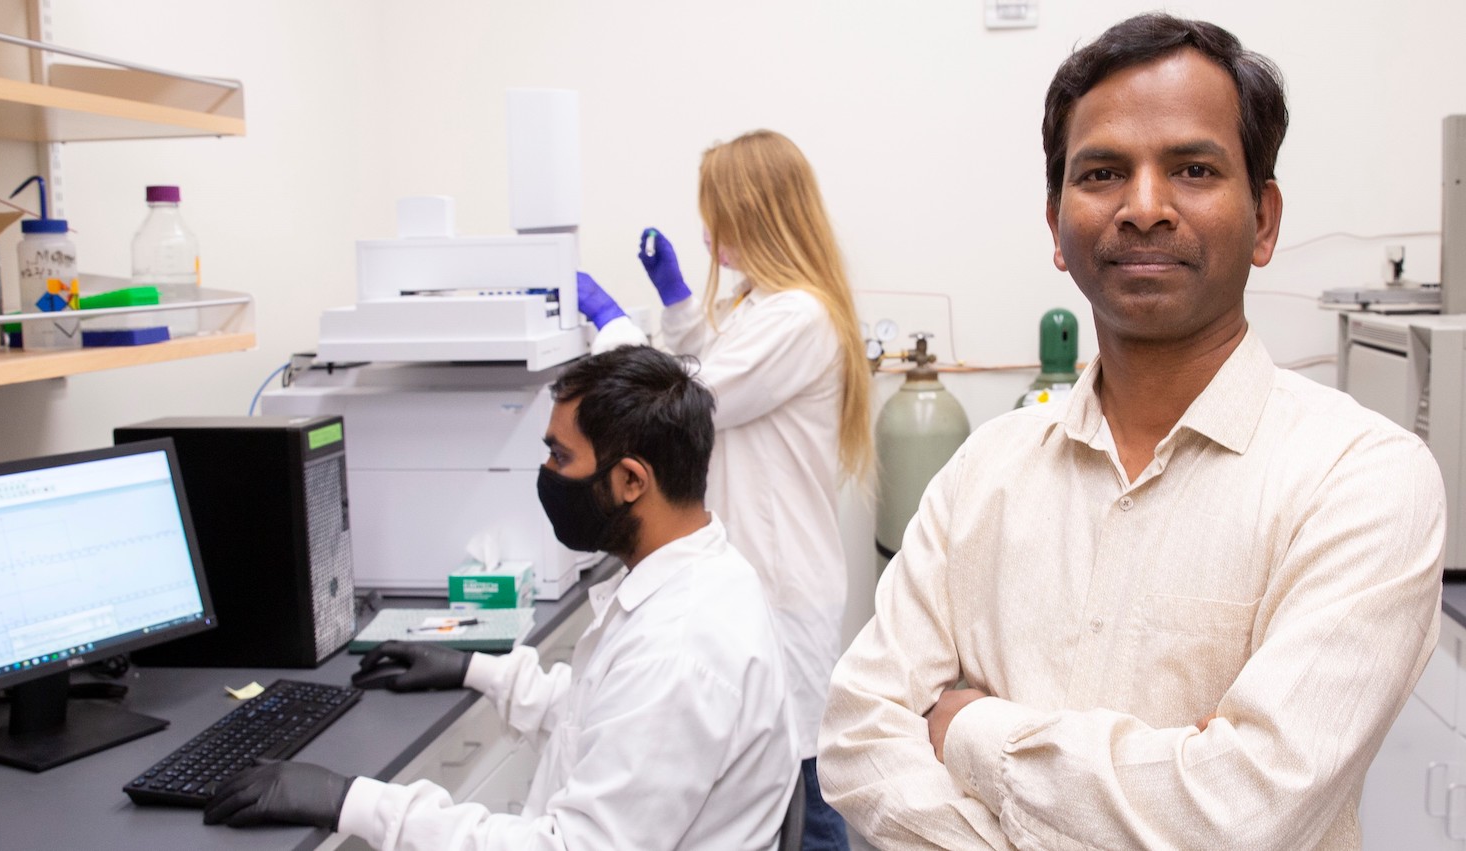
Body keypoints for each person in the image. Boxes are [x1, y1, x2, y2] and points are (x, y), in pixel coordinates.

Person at [817, 13, 1445, 850]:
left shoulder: (1362, 480)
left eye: (1192, 168)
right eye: (1104, 171)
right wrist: (1165, 775)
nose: (1144, 208)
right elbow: (859, 735)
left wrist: (967, 730)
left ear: (1263, 219)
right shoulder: (985, 473)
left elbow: (1241, 811)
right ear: (1055, 223)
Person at [204, 345, 800, 850]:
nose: (546, 471)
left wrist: (353, 801)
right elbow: (603, 715)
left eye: (560, 456)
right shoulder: (696, 575)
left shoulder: (681, 647)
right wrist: (481, 670)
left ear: (630, 481)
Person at [577, 129, 871, 849]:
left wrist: (614, 327)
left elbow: (690, 401)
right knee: (771, 777)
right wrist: (677, 302)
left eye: (717, 214)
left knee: (801, 793)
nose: (706, 232)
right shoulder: (762, 306)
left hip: (780, 584)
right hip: (766, 578)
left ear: (757, 214)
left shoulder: (797, 315)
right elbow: (710, 358)